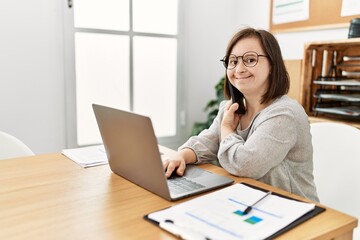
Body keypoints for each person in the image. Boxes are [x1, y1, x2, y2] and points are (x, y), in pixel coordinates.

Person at [163, 27, 319, 202]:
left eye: (250, 60)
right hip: (252, 201)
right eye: (233, 61)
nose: (239, 68)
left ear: (272, 65)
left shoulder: (284, 114)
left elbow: (245, 165)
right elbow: (209, 142)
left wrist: (228, 130)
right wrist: (181, 155)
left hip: (294, 209)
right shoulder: (231, 107)